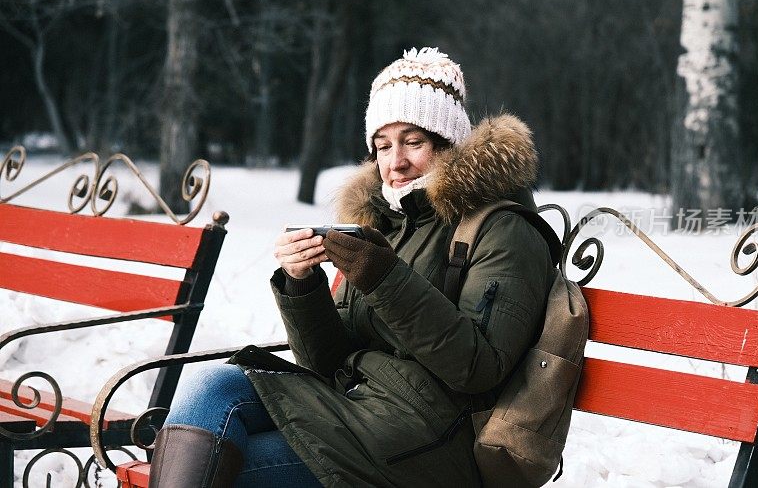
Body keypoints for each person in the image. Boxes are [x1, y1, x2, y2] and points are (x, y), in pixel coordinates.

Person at [147, 48, 556, 487]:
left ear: (448, 142)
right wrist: (301, 285)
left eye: (413, 142)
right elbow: (326, 361)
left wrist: (383, 277)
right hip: (353, 406)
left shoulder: (503, 228)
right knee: (213, 386)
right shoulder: (389, 222)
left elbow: (479, 369)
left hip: (433, 442)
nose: (395, 162)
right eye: (382, 146)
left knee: (224, 471)